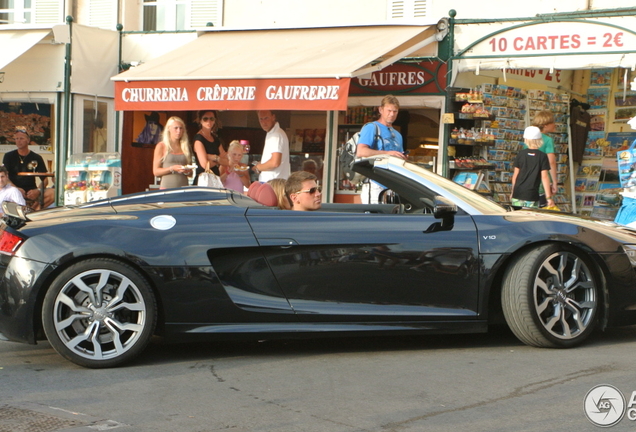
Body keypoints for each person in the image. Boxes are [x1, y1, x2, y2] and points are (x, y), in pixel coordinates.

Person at [356, 95, 407, 204]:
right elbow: (361, 151)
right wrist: (388, 153)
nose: (392, 114)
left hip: (392, 184)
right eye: (389, 110)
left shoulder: (397, 135)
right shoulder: (371, 127)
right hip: (375, 183)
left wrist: (402, 157)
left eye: (395, 111)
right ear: (381, 110)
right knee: (374, 219)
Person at [2, 126, 48, 208]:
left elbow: (45, 179)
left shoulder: (36, 157)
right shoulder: (8, 156)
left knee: (52, 193)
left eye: (21, 138)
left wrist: (38, 190)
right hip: (13, 189)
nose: (18, 141)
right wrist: (16, 189)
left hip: (31, 191)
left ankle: (32, 212)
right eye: (16, 139)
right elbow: (5, 177)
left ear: (28, 140)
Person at [511, 126, 554, 209]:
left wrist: (513, 192)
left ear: (526, 140)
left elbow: (515, 176)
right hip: (532, 195)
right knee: (530, 219)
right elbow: (544, 177)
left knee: (517, 219)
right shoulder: (542, 156)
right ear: (540, 140)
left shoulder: (521, 154)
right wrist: (548, 197)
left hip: (518, 194)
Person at [152, 116, 193, 189]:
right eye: (176, 128)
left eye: (181, 128)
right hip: (167, 188)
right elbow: (156, 171)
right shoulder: (161, 146)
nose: (179, 131)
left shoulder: (185, 147)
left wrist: (188, 171)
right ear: (169, 129)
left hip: (184, 188)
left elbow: (190, 174)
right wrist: (172, 168)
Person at [252, 110, 290, 182]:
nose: (263, 122)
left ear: (273, 117)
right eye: (261, 119)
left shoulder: (276, 135)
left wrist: (258, 167)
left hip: (273, 184)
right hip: (272, 182)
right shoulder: (272, 133)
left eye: (266, 118)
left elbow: (275, 162)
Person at [530, 110, 558, 206]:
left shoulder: (529, 139)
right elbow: (551, 162)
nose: (555, 124)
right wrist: (554, 182)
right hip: (542, 180)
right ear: (545, 125)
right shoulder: (548, 140)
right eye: (552, 122)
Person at [192, 110, 227, 184]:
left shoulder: (215, 138)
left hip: (215, 178)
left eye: (212, 119)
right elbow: (204, 164)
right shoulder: (199, 139)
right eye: (205, 119)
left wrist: (213, 157)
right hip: (203, 179)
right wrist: (218, 159)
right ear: (200, 120)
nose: (209, 121)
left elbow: (226, 160)